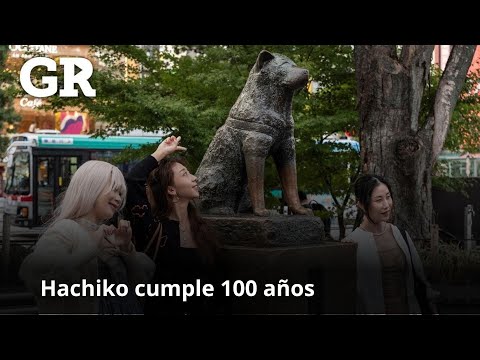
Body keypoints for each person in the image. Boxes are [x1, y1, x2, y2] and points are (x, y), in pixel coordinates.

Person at [19, 160, 155, 314]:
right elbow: (38, 278)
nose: (118, 198)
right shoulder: (66, 229)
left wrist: (127, 250)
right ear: (91, 187)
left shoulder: (108, 234)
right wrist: (92, 247)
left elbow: (144, 280)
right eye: (114, 190)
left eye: (121, 194)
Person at [125, 135, 223, 315]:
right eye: (185, 174)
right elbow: (133, 181)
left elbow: (218, 285)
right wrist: (160, 153)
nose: (195, 178)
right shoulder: (153, 227)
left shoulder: (203, 229)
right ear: (171, 190)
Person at [341, 174, 438, 314]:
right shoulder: (352, 243)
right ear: (361, 204)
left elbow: (420, 278)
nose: (386, 205)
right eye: (379, 200)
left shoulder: (400, 234)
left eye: (388, 197)